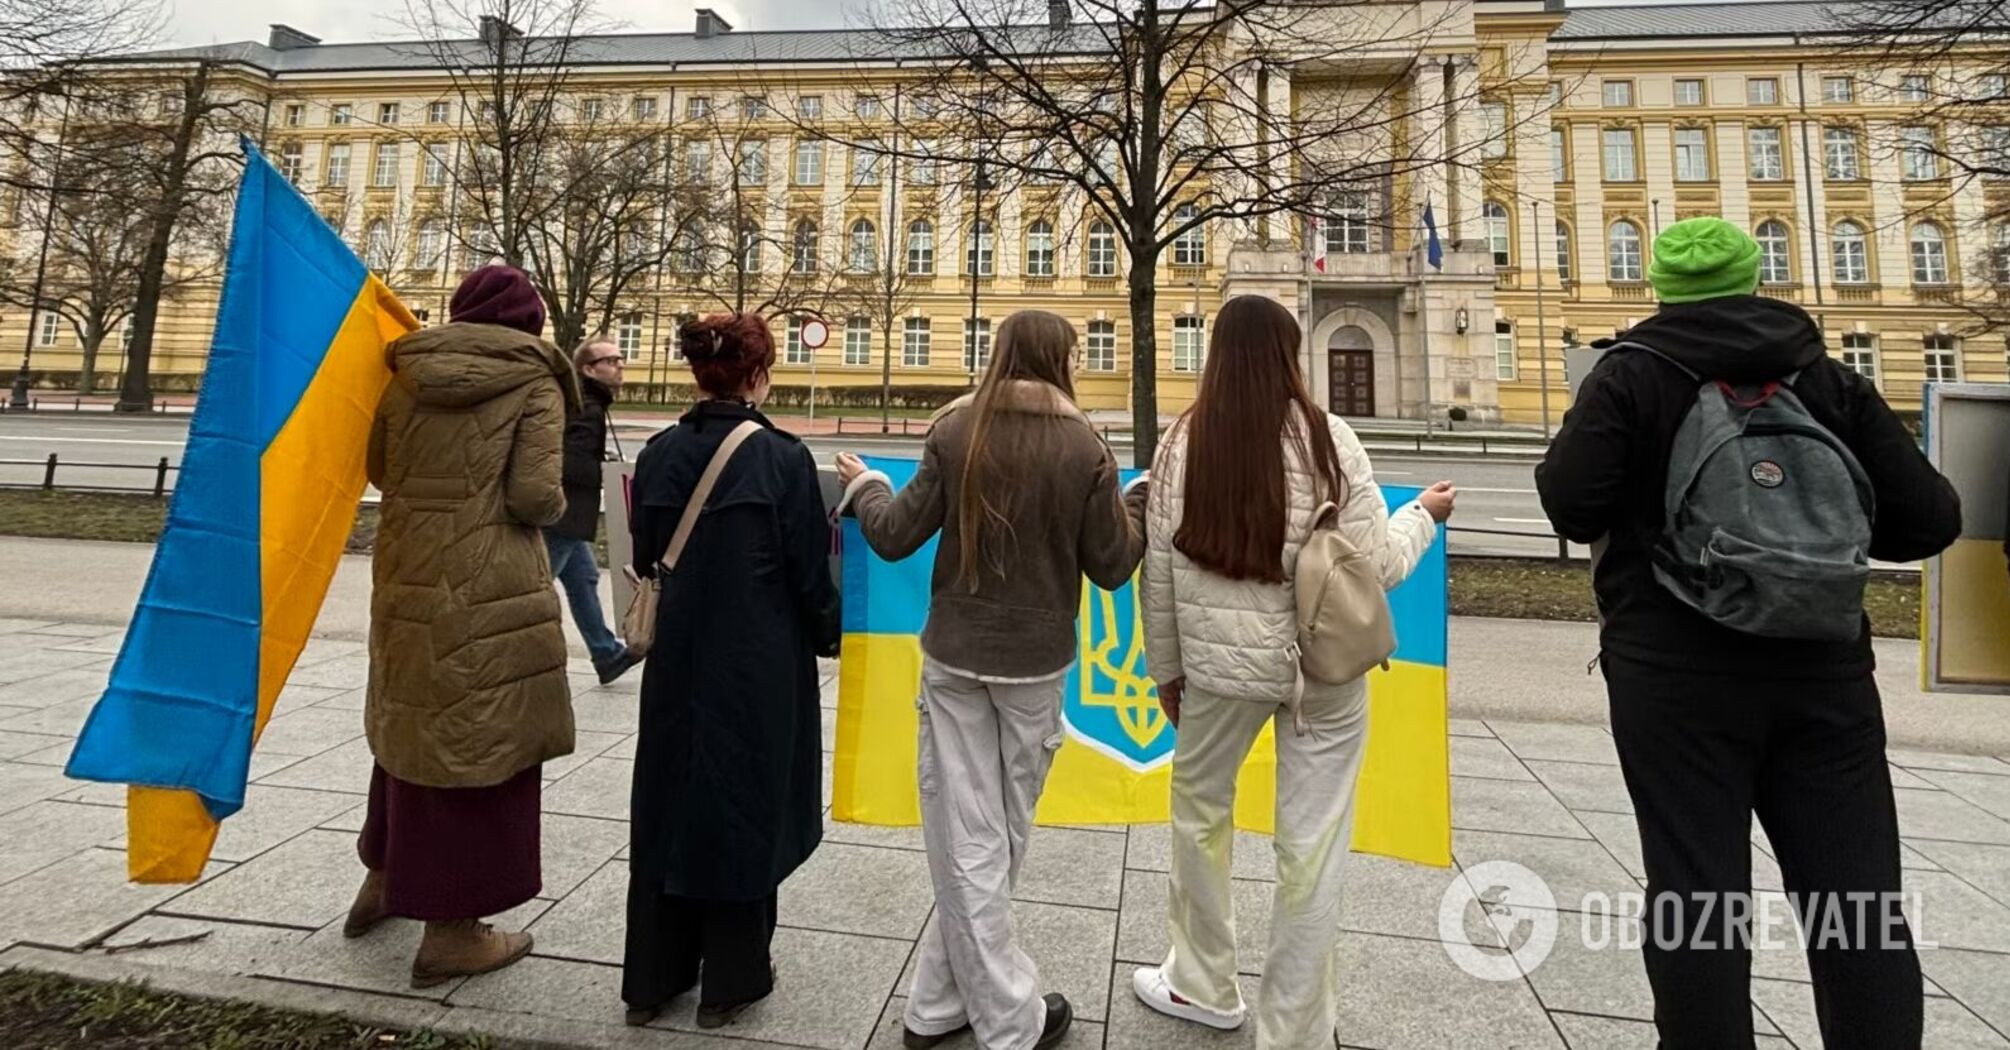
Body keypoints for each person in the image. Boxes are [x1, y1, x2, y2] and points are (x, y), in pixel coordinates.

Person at [1537, 218, 1961, 1050]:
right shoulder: (1827, 378)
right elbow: (1927, 521)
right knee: (1857, 903)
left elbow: (1570, 504)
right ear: (1754, 278)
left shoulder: (1630, 376)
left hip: (1673, 676)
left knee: (1696, 895)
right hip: (1822, 672)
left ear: (1660, 286)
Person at [1129, 294, 1453, 1048]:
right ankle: (1295, 1029)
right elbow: (1374, 566)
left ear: (1217, 355)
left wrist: (1165, 671)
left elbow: (1162, 575)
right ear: (1289, 354)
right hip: (1326, 674)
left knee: (1198, 816)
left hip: (1217, 673)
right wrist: (1426, 515)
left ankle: (1203, 983)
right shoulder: (1328, 437)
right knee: (1312, 846)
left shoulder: (1182, 441)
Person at [834, 309, 1148, 1050]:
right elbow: (1111, 567)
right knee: (995, 835)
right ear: (1061, 360)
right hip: (1037, 662)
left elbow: (892, 535)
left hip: (953, 656)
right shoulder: (1085, 445)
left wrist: (869, 483)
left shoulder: (955, 430)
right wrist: (1135, 501)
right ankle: (1011, 1020)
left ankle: (936, 1007)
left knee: (969, 835)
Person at [345, 264, 578, 988]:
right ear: (529, 324)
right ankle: (452, 930)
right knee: (482, 742)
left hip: (409, 575)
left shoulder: (405, 374)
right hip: (487, 584)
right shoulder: (532, 380)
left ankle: (383, 882)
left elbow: (379, 467)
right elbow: (535, 496)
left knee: (413, 723)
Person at [622, 313, 840, 1029]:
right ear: (758, 373)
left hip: (677, 658)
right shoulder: (781, 459)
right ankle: (732, 978)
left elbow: (648, 551)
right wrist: (830, 635)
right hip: (757, 661)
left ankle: (653, 976)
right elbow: (810, 572)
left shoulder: (657, 454)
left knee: (668, 799)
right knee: (744, 805)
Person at [548, 334, 640, 685]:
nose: (620, 365)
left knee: (584, 579)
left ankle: (606, 654)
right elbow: (568, 462)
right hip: (564, 515)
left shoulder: (588, 402)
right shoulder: (589, 407)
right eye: (611, 361)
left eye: (620, 359)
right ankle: (497, 652)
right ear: (589, 369)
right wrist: (604, 470)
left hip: (571, 516)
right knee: (536, 589)